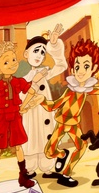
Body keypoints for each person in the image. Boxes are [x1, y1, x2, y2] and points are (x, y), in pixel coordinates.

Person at [42, 38, 99, 188]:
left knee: (81, 147)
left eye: (86, 66)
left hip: (74, 124)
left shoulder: (88, 89)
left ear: (93, 68)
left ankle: (66, 174)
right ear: (73, 69)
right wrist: (41, 100)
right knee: (49, 152)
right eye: (77, 66)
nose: (81, 71)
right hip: (61, 122)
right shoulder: (70, 90)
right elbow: (53, 106)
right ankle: (62, 155)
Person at [0, 41, 47, 193]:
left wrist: (24, 106)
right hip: (3, 118)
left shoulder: (18, 81)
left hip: (15, 117)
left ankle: (23, 176)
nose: (12, 64)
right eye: (6, 62)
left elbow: (31, 91)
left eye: (14, 60)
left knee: (18, 146)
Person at [20, 24, 67, 178]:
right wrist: (33, 82)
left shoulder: (45, 71)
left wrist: (54, 44)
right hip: (30, 115)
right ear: (26, 53)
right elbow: (21, 97)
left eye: (42, 52)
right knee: (31, 138)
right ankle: (30, 168)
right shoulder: (23, 77)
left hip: (45, 113)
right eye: (36, 51)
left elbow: (61, 65)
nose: (39, 55)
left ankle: (47, 167)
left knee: (46, 136)